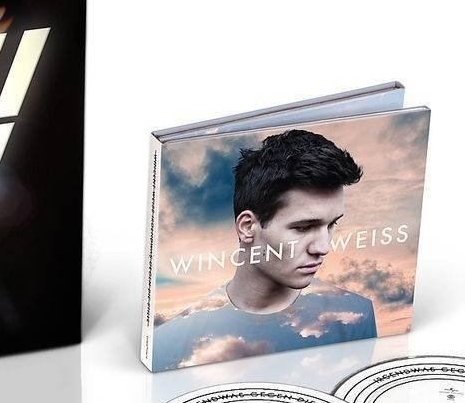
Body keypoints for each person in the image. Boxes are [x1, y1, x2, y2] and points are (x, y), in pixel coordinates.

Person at [152, 129, 377, 371]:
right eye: (303, 227)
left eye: (332, 224)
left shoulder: (358, 314)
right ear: (247, 227)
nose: (323, 247)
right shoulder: (168, 341)